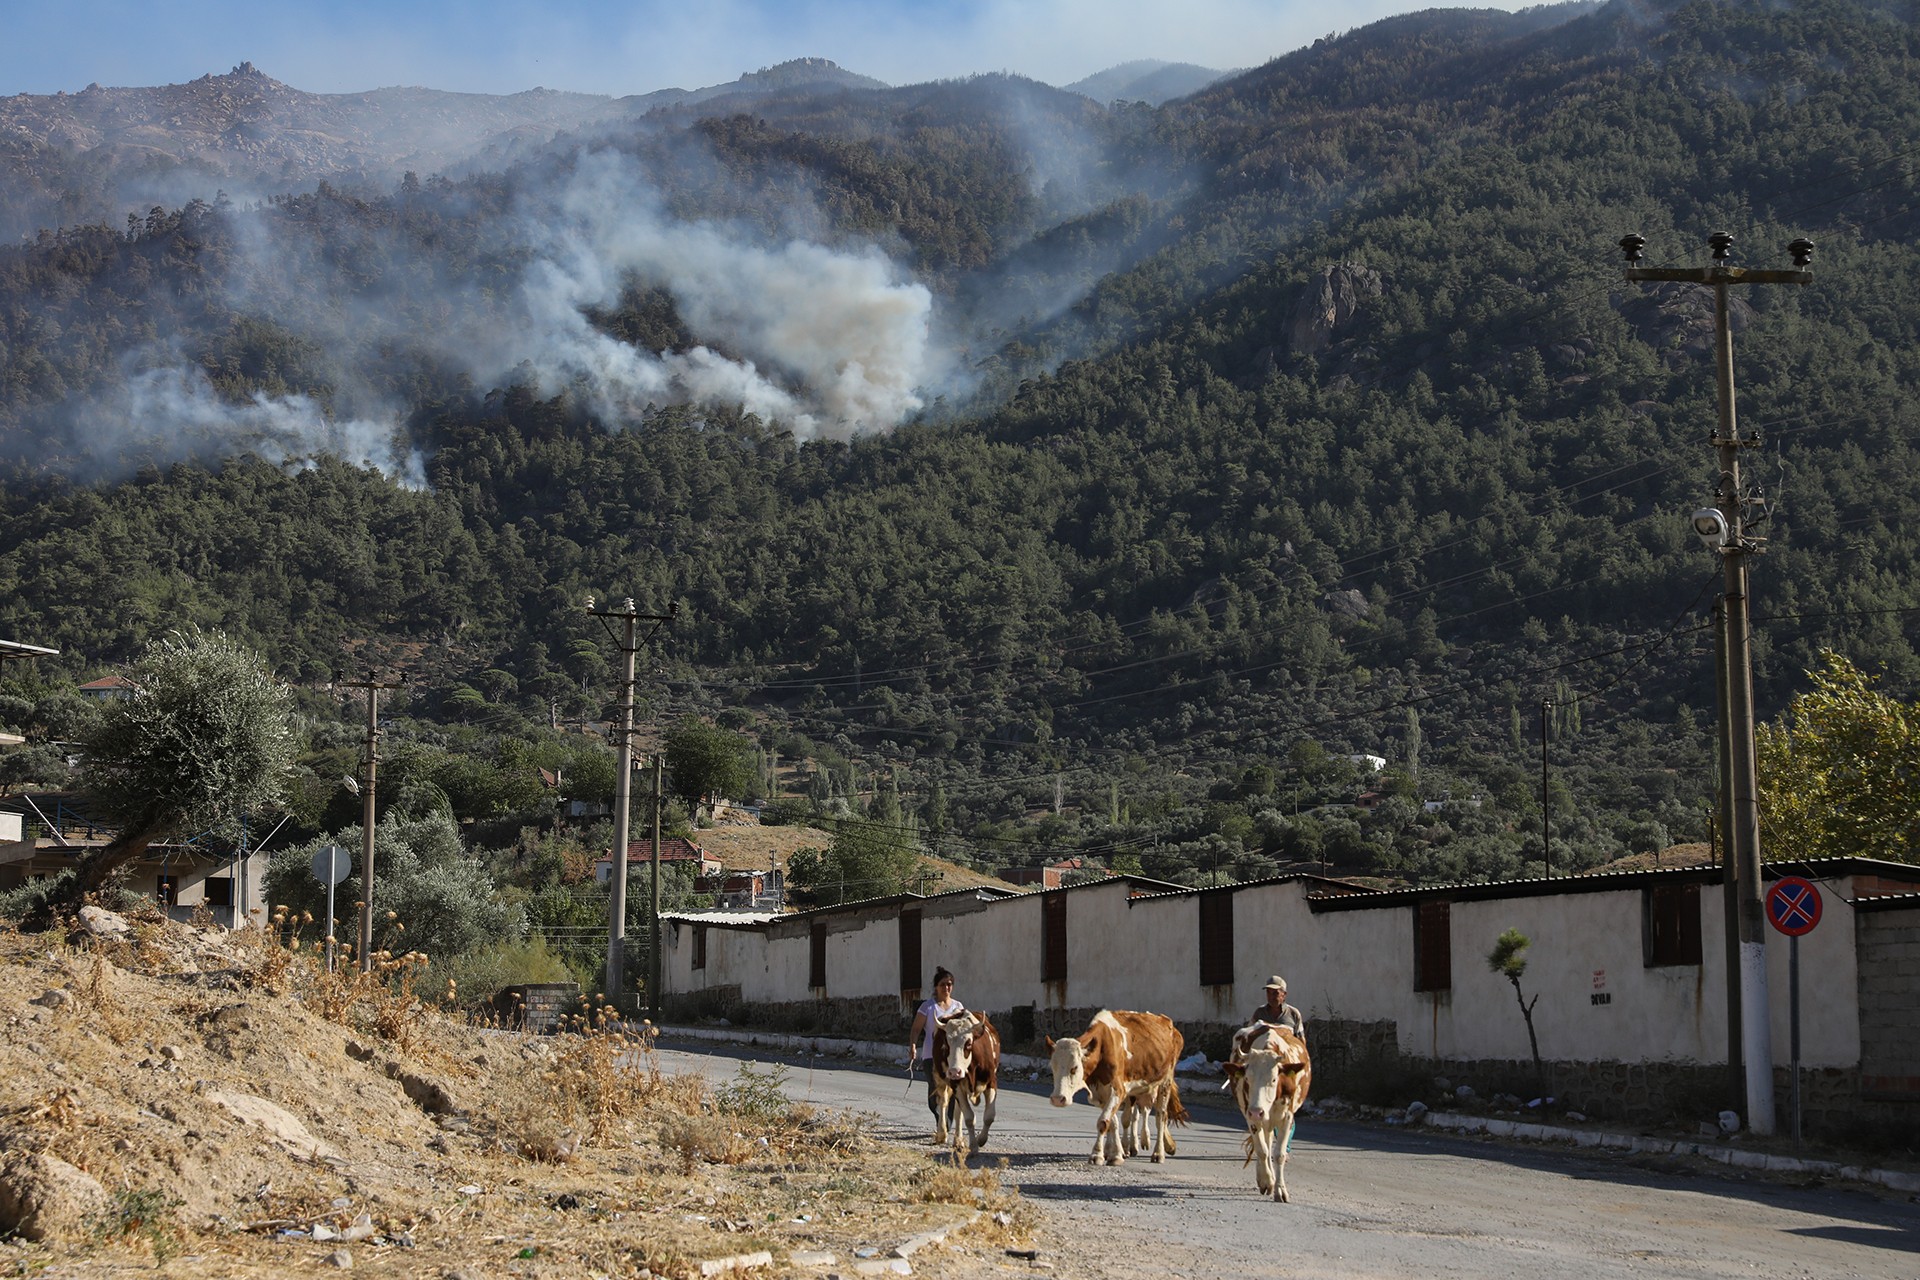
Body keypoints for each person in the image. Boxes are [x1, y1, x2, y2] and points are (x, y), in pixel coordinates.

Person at [908, 966, 964, 1125]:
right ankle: (939, 1114)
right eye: (943, 984)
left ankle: (946, 1122)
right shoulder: (928, 1007)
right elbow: (916, 1029)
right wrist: (912, 1045)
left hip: (952, 1058)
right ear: (936, 987)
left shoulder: (958, 1007)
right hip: (931, 1056)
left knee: (953, 1090)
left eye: (949, 984)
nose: (946, 987)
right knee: (935, 1089)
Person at [1251, 975, 1305, 1041]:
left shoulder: (1293, 1013)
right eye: (1268, 992)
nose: (1271, 997)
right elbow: (1249, 1036)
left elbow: (1301, 1040)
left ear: (1284, 994)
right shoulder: (1259, 1013)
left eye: (1275, 993)